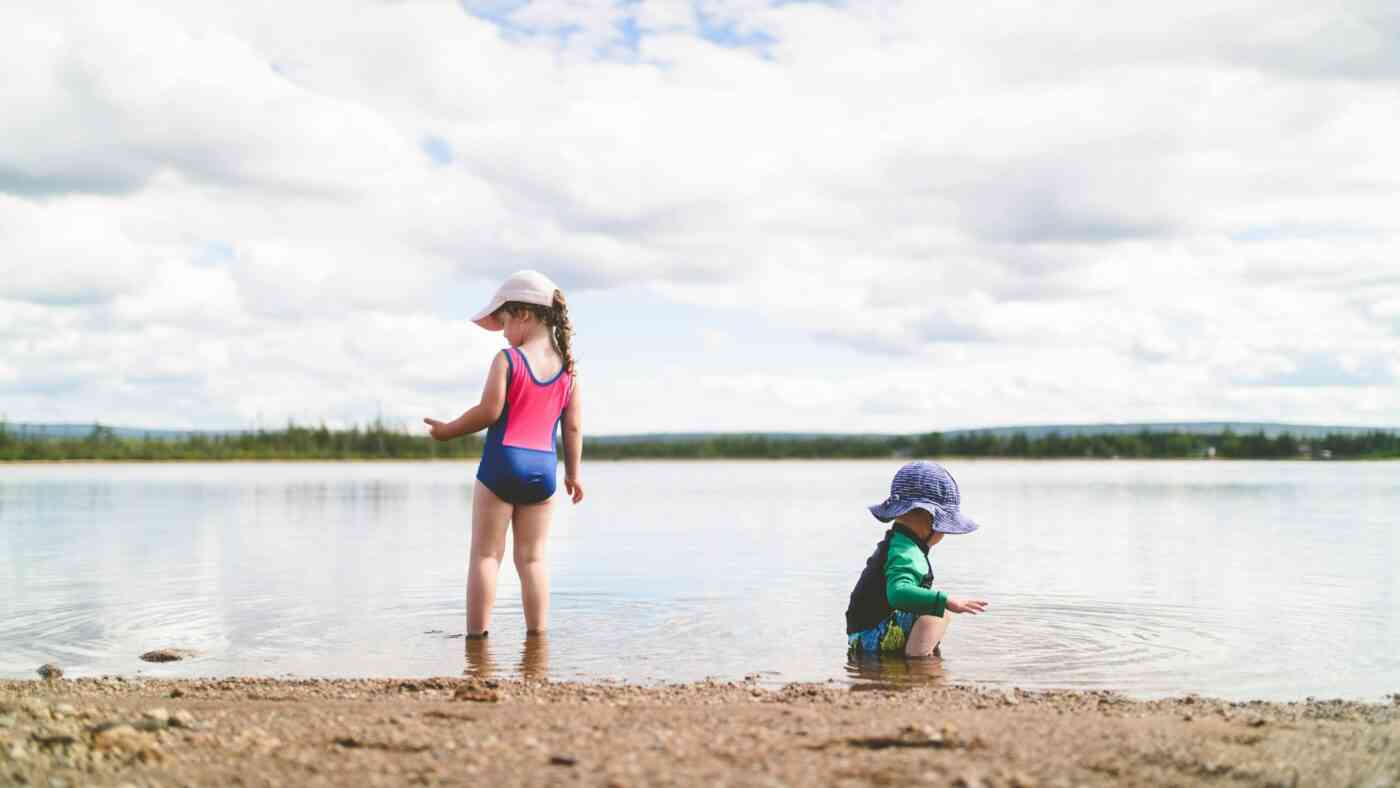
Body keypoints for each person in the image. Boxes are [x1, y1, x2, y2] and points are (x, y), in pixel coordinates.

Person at [424, 270, 583, 639]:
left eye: (505, 322)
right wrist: (573, 474)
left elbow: (489, 412)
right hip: (543, 470)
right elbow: (572, 428)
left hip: (502, 464)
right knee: (533, 559)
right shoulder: (569, 371)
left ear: (524, 315)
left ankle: (476, 639)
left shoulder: (508, 360)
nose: (503, 332)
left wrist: (448, 430)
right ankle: (537, 638)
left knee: (485, 557)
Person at [846, 461, 988, 657]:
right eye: (944, 527)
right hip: (873, 639)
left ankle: (914, 658)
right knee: (939, 612)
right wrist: (946, 601)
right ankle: (919, 661)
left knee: (930, 605)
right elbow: (898, 593)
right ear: (928, 519)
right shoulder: (907, 553)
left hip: (861, 637)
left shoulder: (897, 543)